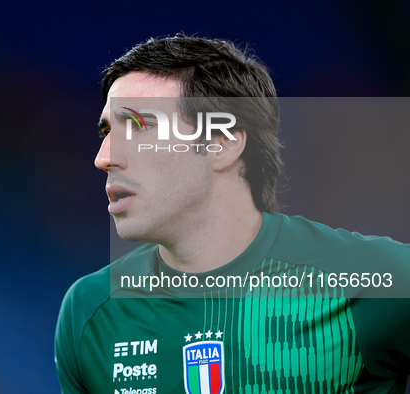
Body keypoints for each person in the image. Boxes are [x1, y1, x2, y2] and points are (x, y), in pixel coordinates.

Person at [55, 34, 410, 394]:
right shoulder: (91, 312)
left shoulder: (374, 281)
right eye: (107, 131)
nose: (103, 158)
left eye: (138, 126)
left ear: (223, 143)